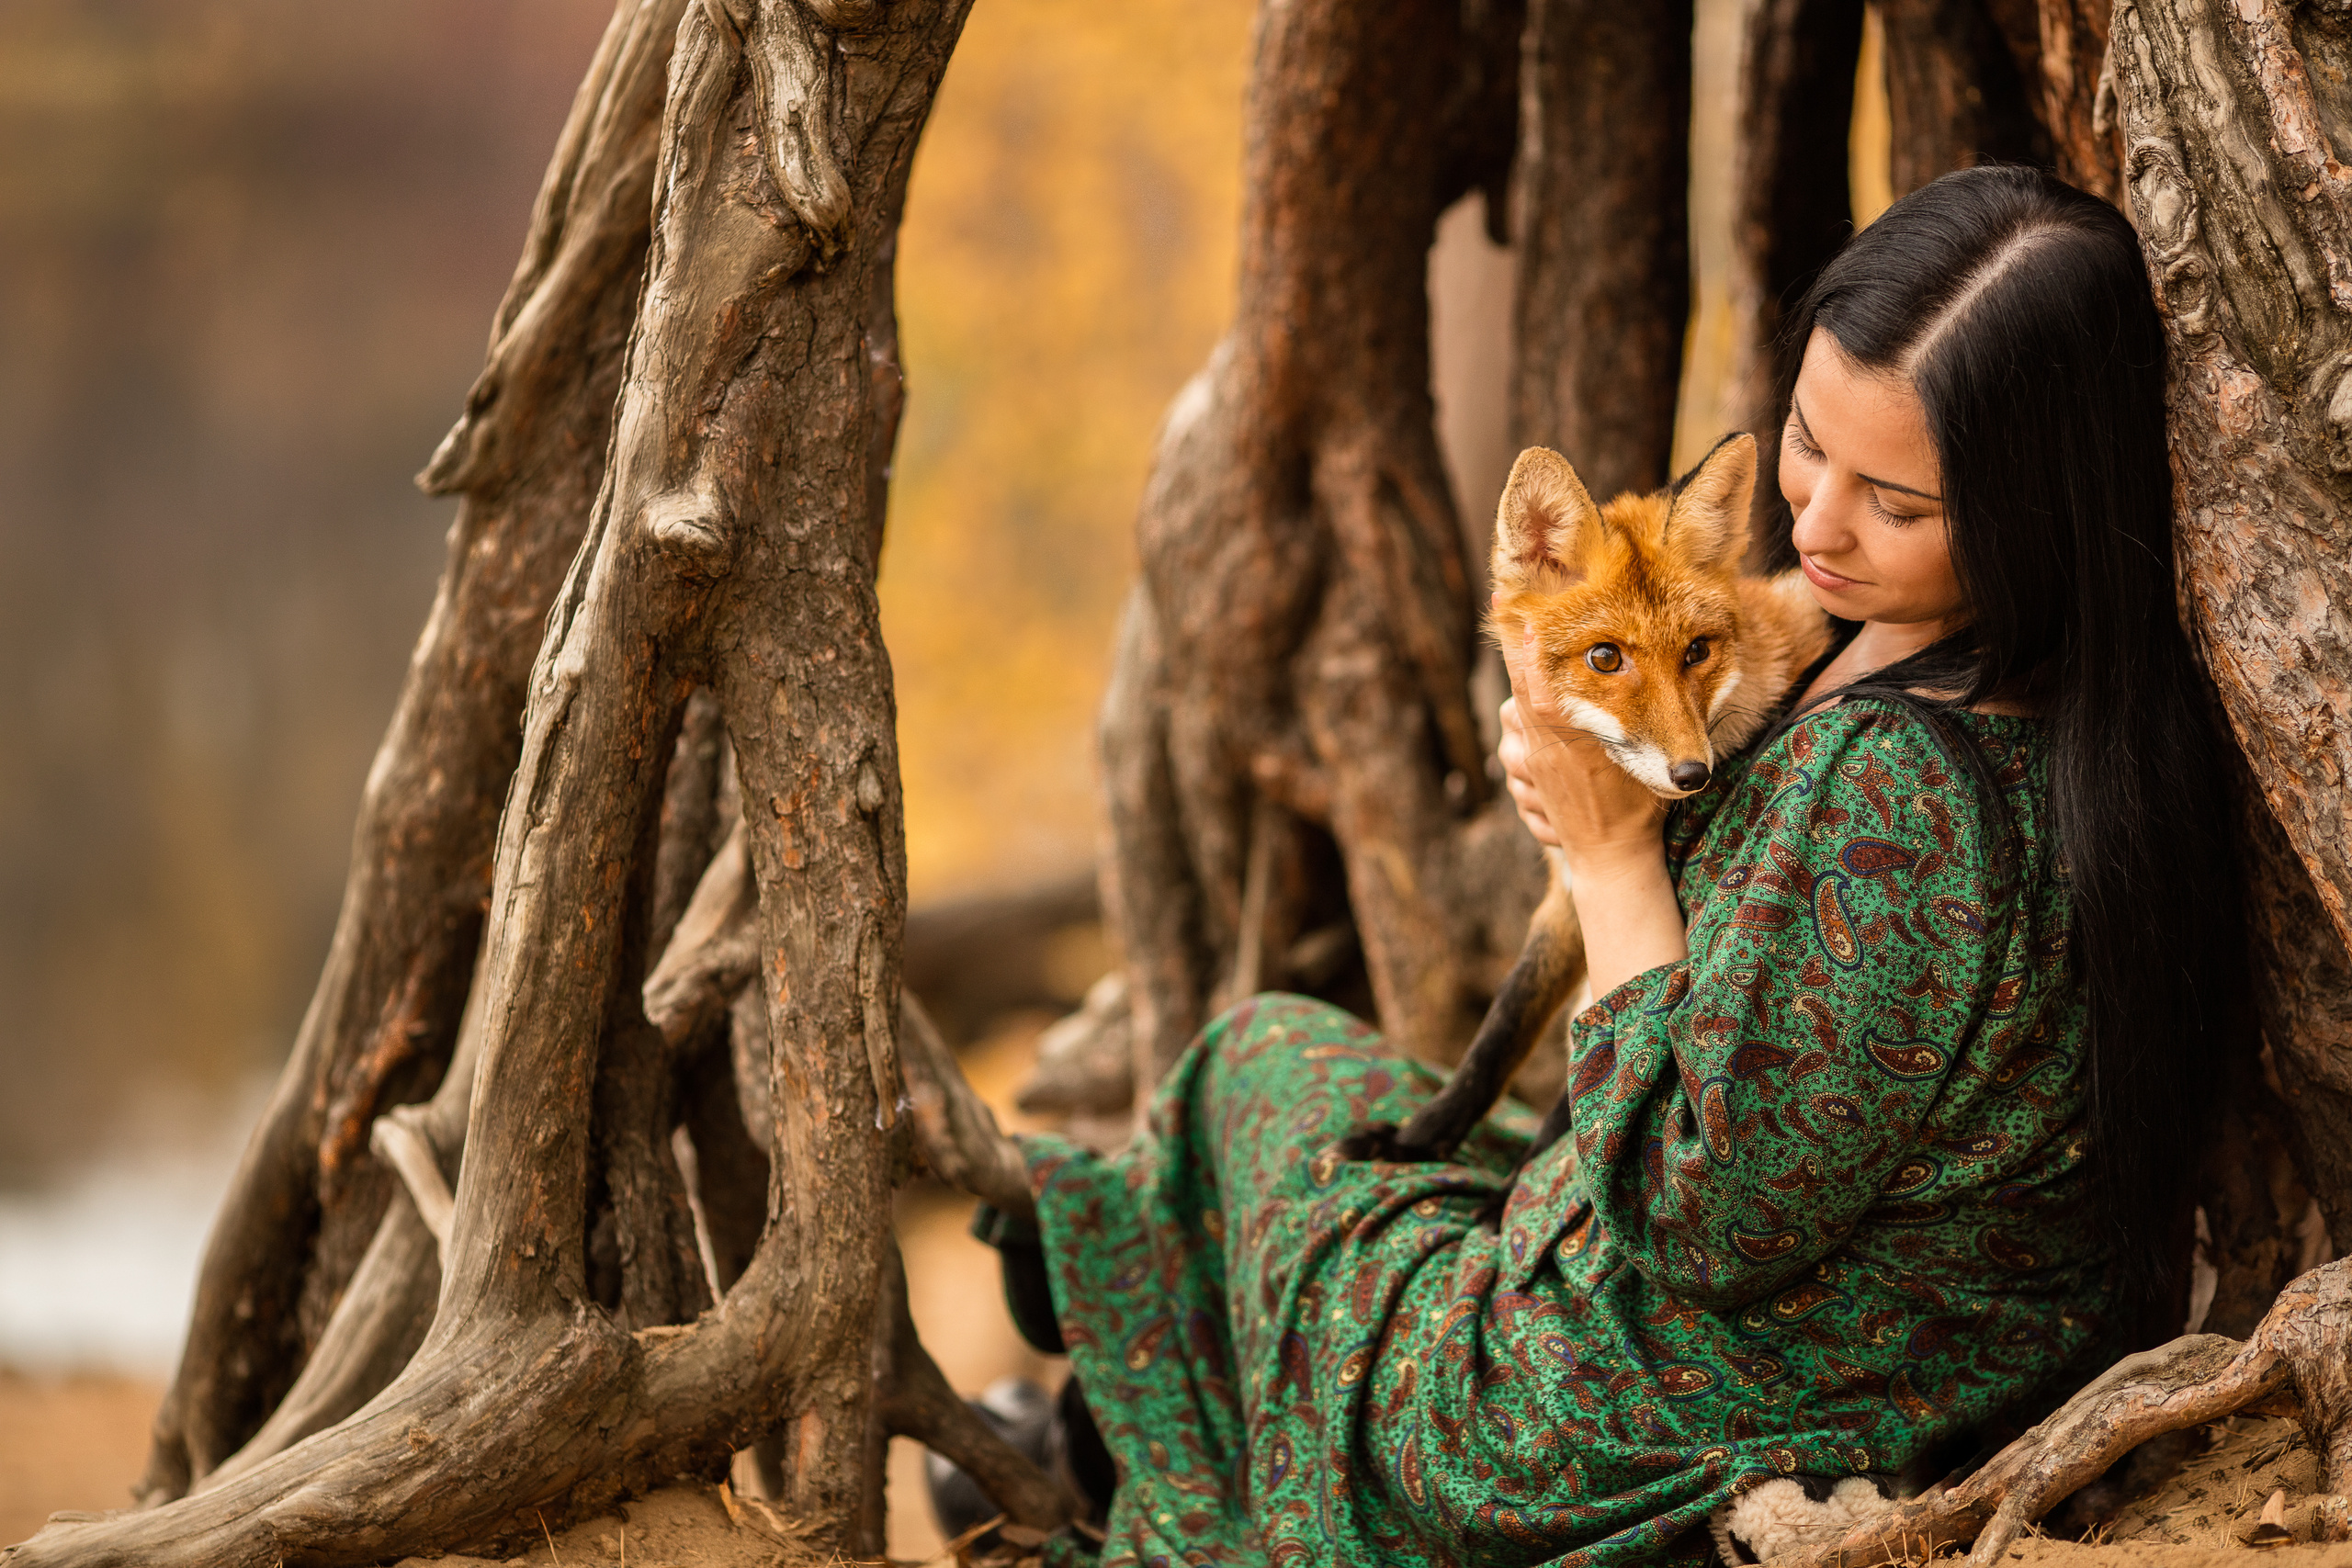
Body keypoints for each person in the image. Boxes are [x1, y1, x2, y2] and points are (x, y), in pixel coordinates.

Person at [914, 164, 2247, 1567]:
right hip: (1893, 1353)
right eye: (1805, 443)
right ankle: (1086, 1439)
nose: (1818, 521)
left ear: (2033, 506)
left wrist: (1611, 859)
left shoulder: (1897, 795)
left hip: (1603, 1426)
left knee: (1263, 1075)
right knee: (1351, 1116)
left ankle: (1106, 1465)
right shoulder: (2092, 710)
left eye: (1897, 504)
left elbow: (1704, 1224)